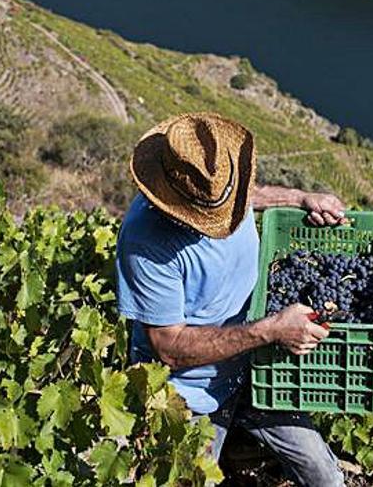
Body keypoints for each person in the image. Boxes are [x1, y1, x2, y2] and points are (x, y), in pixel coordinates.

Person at [116, 112, 347, 486]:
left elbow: (246, 195)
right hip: (190, 393)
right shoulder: (146, 242)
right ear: (177, 204)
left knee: (326, 478)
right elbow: (168, 347)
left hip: (257, 369)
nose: (228, 216)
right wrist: (269, 330)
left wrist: (300, 197)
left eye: (226, 202)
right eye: (210, 213)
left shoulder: (222, 188)